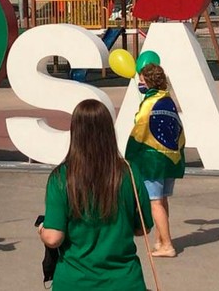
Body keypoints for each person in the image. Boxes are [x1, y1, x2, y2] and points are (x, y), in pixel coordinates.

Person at [40, 99, 152, 290]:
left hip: (76, 281)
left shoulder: (61, 178)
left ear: (75, 132)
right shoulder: (129, 172)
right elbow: (143, 228)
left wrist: (43, 230)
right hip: (124, 280)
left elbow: (53, 238)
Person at [124, 63, 185, 258]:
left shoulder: (149, 103)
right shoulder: (168, 100)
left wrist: (129, 154)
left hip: (152, 159)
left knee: (155, 202)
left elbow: (139, 129)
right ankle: (160, 239)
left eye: (142, 80)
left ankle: (167, 244)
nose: (140, 83)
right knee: (162, 200)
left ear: (149, 81)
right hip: (170, 158)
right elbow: (179, 129)